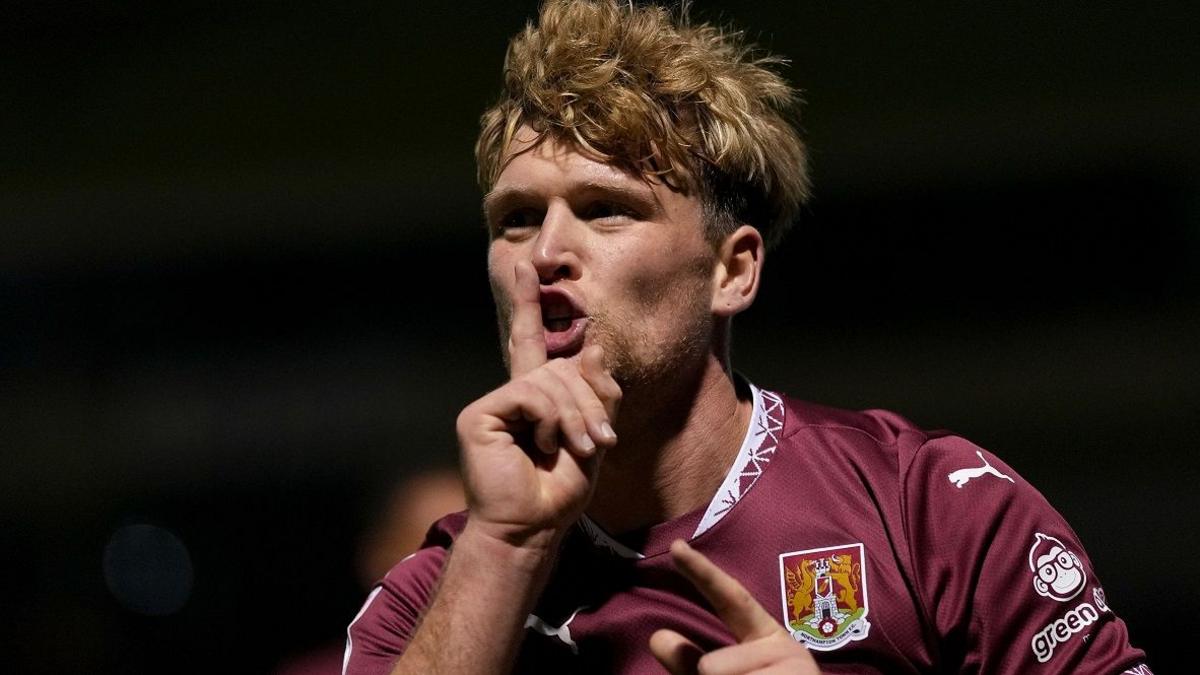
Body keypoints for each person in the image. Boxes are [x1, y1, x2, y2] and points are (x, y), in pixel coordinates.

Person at [344, 1, 1151, 673]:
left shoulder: (931, 509)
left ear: (732, 271)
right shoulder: (435, 591)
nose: (546, 253)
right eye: (516, 219)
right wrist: (507, 545)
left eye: (606, 208)